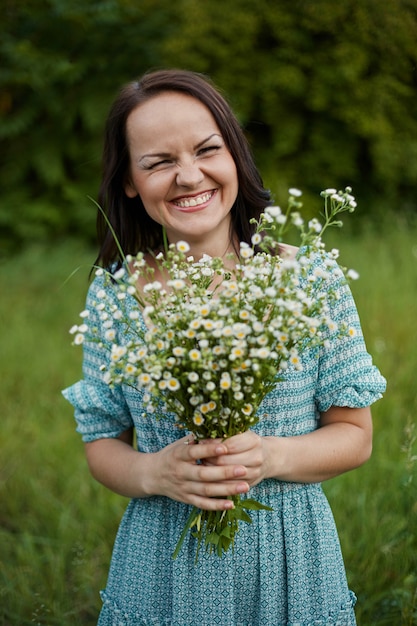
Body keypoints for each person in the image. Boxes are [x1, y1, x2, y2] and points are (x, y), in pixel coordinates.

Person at [63, 69, 386, 626]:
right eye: (158, 162)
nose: (189, 176)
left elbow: (355, 437)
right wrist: (156, 473)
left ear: (234, 155)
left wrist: (272, 456)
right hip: (160, 563)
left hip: (292, 561)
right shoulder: (116, 293)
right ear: (130, 183)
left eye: (207, 150)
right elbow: (102, 444)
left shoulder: (307, 278)